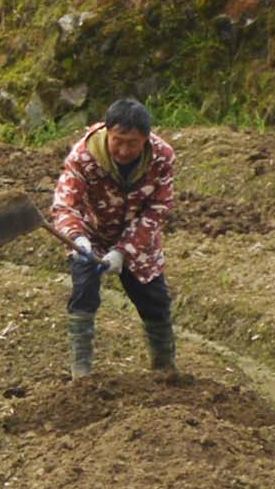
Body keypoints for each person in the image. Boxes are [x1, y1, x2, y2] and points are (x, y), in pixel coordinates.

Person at [49, 96, 179, 377]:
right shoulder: (84, 156)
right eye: (117, 140)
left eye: (132, 143)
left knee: (154, 300)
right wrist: (77, 238)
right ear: (108, 133)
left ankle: (164, 367)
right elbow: (65, 204)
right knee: (83, 293)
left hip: (138, 237)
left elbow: (158, 209)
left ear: (145, 139)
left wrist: (124, 250)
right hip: (90, 232)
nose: (123, 149)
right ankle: (81, 371)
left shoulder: (161, 158)